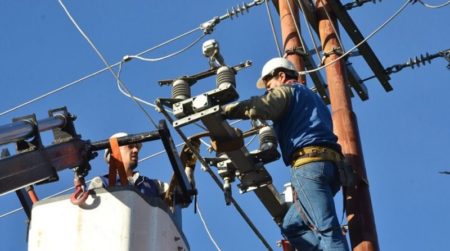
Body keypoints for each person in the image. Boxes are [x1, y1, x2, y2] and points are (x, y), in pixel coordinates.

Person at [223, 57, 349, 250]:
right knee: (292, 226)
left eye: (269, 84)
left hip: (309, 167)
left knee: (327, 229)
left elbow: (262, 106)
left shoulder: (288, 92)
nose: (268, 90)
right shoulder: (312, 98)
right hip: (330, 169)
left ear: (281, 76)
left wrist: (224, 110)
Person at [90, 132, 168, 199]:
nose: (136, 150)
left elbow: (174, 193)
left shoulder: (154, 185)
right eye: (130, 147)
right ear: (113, 152)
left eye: (136, 147)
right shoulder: (101, 182)